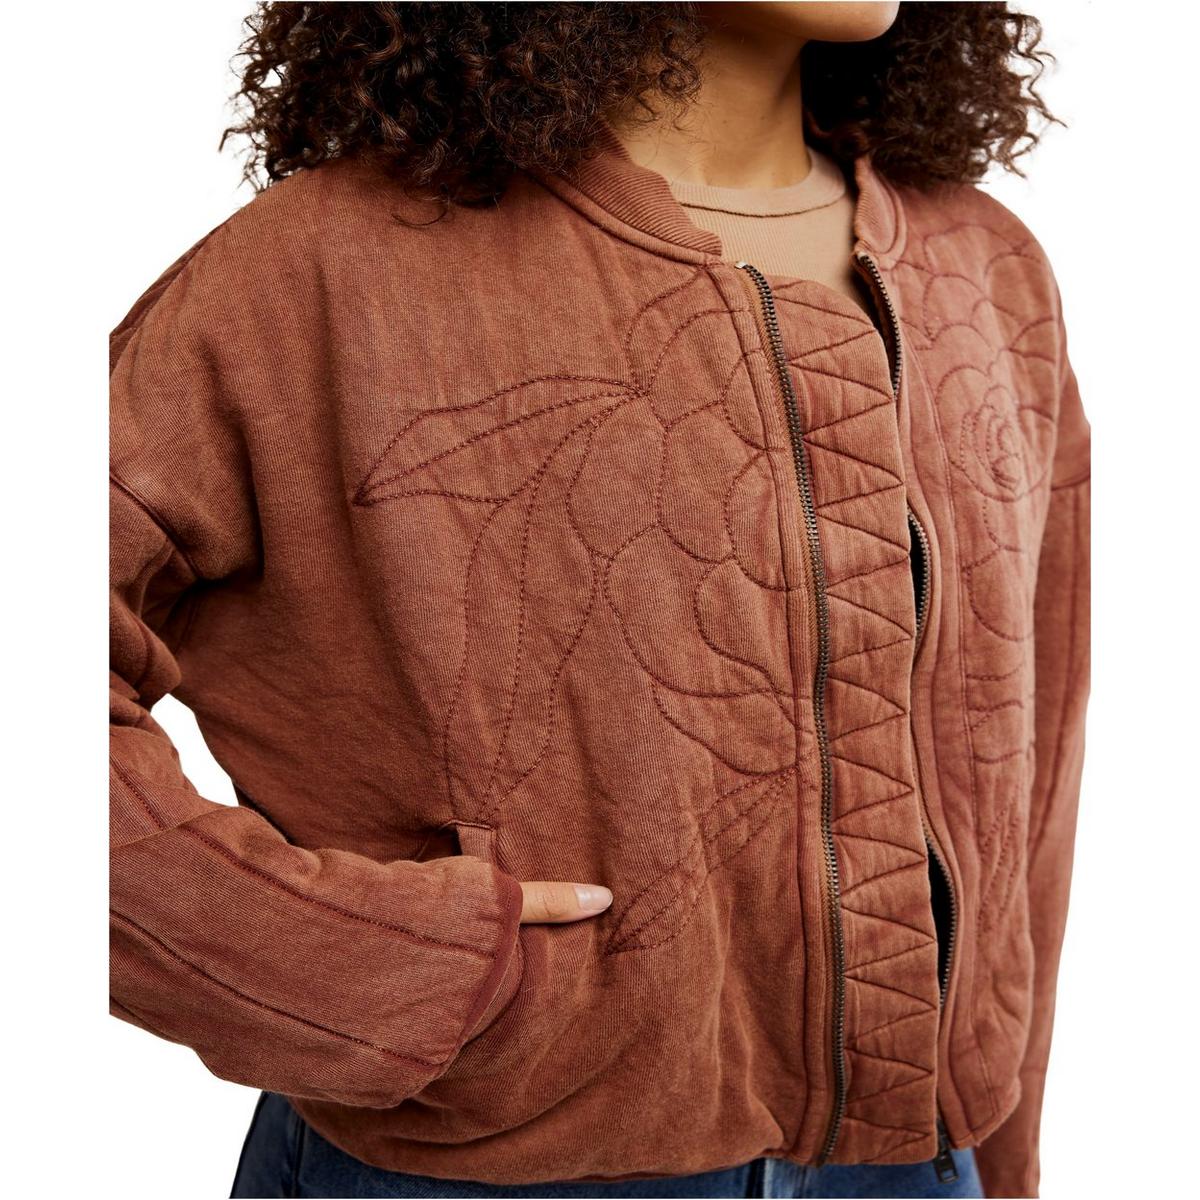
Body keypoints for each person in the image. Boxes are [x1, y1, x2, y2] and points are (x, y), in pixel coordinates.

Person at [108, 3, 1090, 1197]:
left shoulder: (984, 267)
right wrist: (369, 969)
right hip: (493, 1163)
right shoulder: (325, 269)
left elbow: (1025, 773)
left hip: (921, 1162)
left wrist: (1009, 1153)